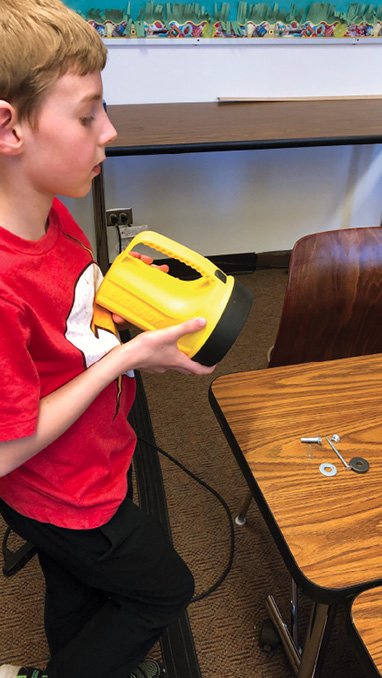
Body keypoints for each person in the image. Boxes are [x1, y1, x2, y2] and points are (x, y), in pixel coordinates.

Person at [0, 1, 216, 677]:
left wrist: (128, 339)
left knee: (77, 586)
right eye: (89, 113)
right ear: (7, 127)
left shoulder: (53, 215)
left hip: (92, 459)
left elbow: (67, 335)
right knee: (164, 591)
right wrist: (123, 360)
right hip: (65, 493)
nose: (110, 131)